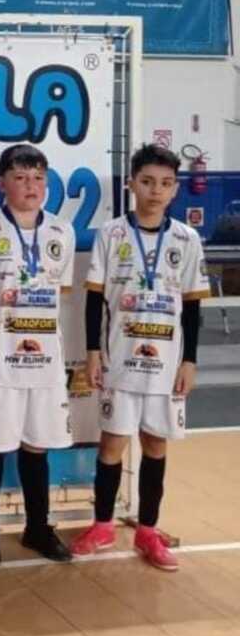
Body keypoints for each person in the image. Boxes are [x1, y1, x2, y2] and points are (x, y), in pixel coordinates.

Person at [70, 144, 209, 570]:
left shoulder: (186, 239)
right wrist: (93, 352)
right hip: (119, 359)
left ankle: (148, 530)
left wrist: (190, 362)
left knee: (155, 442)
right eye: (147, 181)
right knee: (112, 443)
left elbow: (192, 307)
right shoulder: (112, 235)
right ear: (131, 183)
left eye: (166, 184)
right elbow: (94, 300)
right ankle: (103, 523)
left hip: (167, 363)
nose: (155, 191)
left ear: (175, 190)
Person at [0, 144, 76, 566]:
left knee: (38, 446)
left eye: (37, 178)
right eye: (20, 178)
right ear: (2, 184)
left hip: (44, 360)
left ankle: (37, 527)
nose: (30, 186)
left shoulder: (61, 233)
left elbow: (59, 296)